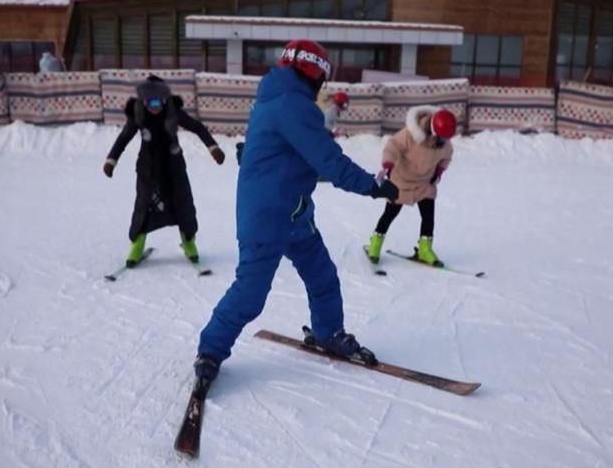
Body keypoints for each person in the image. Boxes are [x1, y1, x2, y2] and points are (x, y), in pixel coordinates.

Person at [193, 40, 399, 383]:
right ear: (316, 74)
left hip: (295, 212)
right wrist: (371, 185)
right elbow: (328, 160)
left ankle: (329, 332)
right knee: (251, 293)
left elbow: (296, 156)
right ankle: (210, 351)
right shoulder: (292, 105)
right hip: (266, 216)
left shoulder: (274, 99)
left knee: (322, 276)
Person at [103, 75, 225, 267]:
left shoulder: (173, 111)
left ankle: (189, 241)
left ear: (165, 99)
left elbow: (197, 127)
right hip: (148, 169)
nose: (155, 106)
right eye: (150, 101)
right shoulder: (138, 114)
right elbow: (124, 137)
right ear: (143, 101)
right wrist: (111, 160)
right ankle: (137, 243)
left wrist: (213, 148)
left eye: (158, 101)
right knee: (144, 204)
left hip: (173, 166)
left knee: (182, 202)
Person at [366, 105, 456, 267]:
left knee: (428, 216)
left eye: (445, 139)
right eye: (441, 138)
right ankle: (375, 244)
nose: (443, 142)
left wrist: (438, 172)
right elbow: (392, 147)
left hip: (424, 184)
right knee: (389, 214)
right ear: (433, 130)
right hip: (401, 182)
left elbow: (446, 157)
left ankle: (425, 249)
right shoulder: (410, 135)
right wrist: (387, 165)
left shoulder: (444, 143)